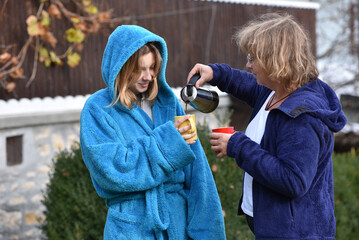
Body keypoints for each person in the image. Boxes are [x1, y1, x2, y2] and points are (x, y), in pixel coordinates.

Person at [187, 13, 347, 239]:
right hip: (273, 226)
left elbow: (293, 180)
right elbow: (246, 84)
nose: (248, 64)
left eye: (254, 58)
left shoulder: (302, 116)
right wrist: (215, 73)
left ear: (276, 61)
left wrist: (237, 145)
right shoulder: (276, 92)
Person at [80, 25, 226, 240]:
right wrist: (168, 144)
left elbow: (198, 173)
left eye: (152, 68)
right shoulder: (99, 109)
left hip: (178, 223)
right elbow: (112, 171)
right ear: (120, 67)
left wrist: (208, 232)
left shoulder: (169, 105)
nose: (147, 76)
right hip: (132, 227)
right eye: (138, 69)